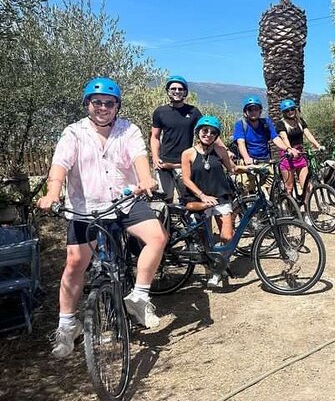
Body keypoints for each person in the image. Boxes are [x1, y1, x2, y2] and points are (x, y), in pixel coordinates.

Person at [37, 77, 168, 358]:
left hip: (124, 201)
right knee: (75, 264)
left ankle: (139, 298)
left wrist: (145, 178)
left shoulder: (128, 130)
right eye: (97, 102)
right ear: (87, 104)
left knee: (157, 237)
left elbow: (139, 157)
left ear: (117, 106)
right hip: (87, 207)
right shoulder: (73, 133)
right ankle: (67, 326)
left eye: (110, 103)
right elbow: (59, 165)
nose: (103, 108)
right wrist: (52, 193)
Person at [181, 115, 237, 288]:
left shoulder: (220, 152)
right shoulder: (188, 153)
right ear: (198, 132)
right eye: (205, 131)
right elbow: (186, 179)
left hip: (221, 198)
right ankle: (213, 268)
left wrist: (251, 168)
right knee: (205, 239)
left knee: (227, 236)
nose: (209, 134)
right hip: (200, 199)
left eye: (213, 132)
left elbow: (232, 169)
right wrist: (202, 196)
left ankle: (220, 266)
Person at [150, 75, 202, 203]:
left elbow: (206, 132)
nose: (177, 91)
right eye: (173, 88)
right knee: (163, 202)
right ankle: (165, 223)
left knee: (189, 199)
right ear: (168, 91)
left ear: (185, 92)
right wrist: (155, 157)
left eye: (180, 89)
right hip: (164, 163)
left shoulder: (193, 112)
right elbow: (155, 137)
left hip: (184, 163)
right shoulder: (160, 112)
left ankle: (190, 223)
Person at [275, 98, 324, 196]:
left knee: (306, 185)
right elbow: (284, 138)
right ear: (284, 112)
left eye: (292, 109)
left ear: (295, 109)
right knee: (289, 188)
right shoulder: (281, 124)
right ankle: (290, 208)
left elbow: (308, 135)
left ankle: (307, 209)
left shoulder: (300, 122)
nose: (290, 112)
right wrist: (290, 149)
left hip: (300, 155)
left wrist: (318, 145)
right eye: (287, 111)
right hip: (287, 157)